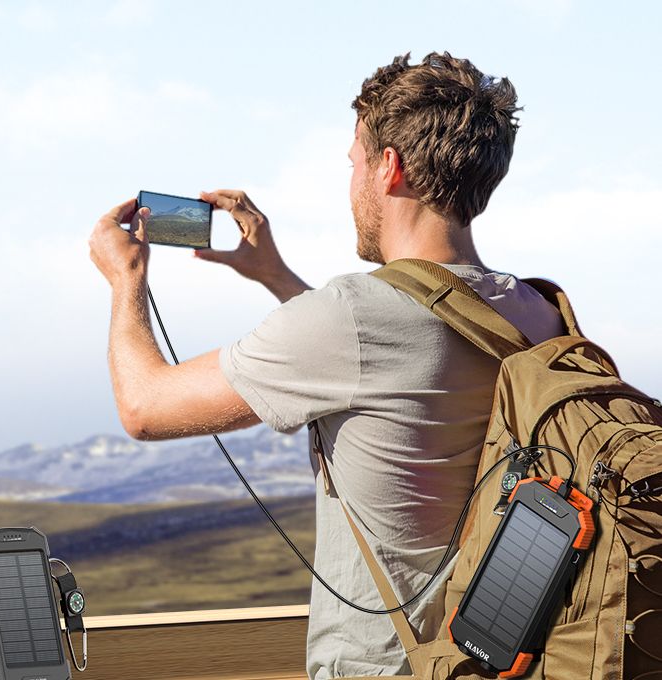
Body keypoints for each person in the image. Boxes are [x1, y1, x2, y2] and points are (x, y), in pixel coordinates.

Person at [87, 52, 566, 678]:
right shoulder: (538, 309)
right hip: (507, 661)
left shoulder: (350, 315)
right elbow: (396, 355)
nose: (351, 182)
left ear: (388, 167)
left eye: (354, 162)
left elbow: (144, 408)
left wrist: (126, 278)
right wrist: (276, 276)